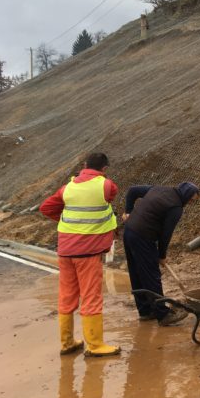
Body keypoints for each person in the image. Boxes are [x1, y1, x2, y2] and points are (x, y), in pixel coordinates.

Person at [40, 152, 120, 357]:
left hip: (65, 251)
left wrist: (67, 220)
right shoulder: (107, 185)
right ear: (104, 169)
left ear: (84, 165)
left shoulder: (68, 188)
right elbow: (108, 198)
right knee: (91, 297)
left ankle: (67, 343)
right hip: (87, 252)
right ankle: (95, 345)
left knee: (67, 296)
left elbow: (46, 207)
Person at [122, 182, 199, 326]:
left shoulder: (159, 188)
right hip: (143, 236)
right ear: (186, 195)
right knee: (152, 275)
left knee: (137, 273)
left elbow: (132, 190)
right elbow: (165, 234)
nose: (190, 203)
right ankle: (162, 314)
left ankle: (145, 311)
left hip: (129, 232)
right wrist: (161, 255)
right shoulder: (176, 207)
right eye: (191, 199)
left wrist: (128, 212)